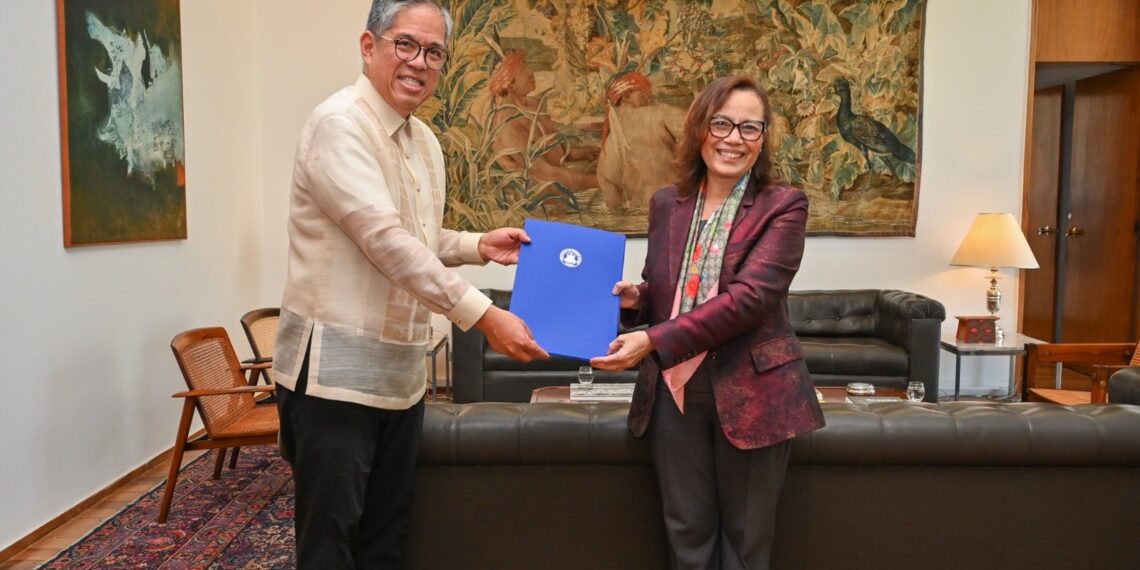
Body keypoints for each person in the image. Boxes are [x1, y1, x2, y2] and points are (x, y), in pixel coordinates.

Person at [272, 1, 548, 567]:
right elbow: (383, 242)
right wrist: (483, 314)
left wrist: (475, 245)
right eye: (405, 45)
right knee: (331, 545)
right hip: (334, 383)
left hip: (400, 377)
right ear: (368, 46)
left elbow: (415, 233)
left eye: (434, 52)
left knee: (387, 539)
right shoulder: (339, 125)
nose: (418, 62)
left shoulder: (424, 141)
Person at [591, 75, 825, 570]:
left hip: (753, 392)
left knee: (744, 544)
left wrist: (652, 338)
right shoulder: (665, 204)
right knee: (687, 538)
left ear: (762, 139)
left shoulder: (783, 204)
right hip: (674, 393)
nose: (733, 138)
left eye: (749, 127)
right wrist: (638, 300)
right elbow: (668, 290)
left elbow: (749, 300)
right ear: (700, 129)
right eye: (721, 123)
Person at [488, 49, 599, 194]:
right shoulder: (508, 127)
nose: (531, 72)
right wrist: (599, 181)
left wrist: (581, 153)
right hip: (544, 205)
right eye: (523, 70)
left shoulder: (534, 105)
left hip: (564, 185)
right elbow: (548, 176)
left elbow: (555, 148)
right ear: (510, 85)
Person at [596, 71, 687, 211]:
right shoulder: (661, 114)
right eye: (644, 92)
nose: (649, 97)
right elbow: (700, 135)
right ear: (626, 95)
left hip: (639, 216)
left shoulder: (610, 143)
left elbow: (611, 197)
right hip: (674, 208)